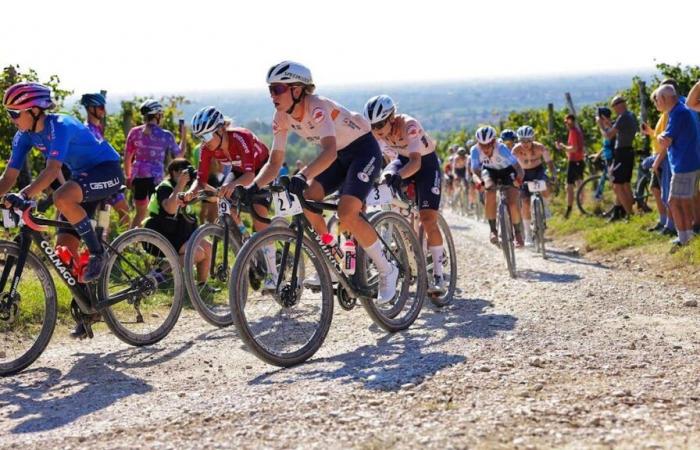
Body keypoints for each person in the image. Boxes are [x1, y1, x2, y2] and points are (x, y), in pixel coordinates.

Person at [245, 61, 398, 304]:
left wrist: (302, 175)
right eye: (270, 89)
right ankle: (332, 251)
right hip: (338, 155)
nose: (272, 95)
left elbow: (329, 151)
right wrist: (252, 188)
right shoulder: (281, 117)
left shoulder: (316, 107)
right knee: (307, 200)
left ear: (297, 89)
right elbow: (275, 162)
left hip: (362, 150)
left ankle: (387, 269)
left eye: (277, 89)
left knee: (347, 212)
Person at [1, 82, 125, 337]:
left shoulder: (60, 126)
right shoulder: (24, 136)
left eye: (14, 113)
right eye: (8, 114)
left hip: (107, 170)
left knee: (61, 196)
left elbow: (52, 170)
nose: (11, 119)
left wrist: (23, 196)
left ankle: (97, 252)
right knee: (64, 253)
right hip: (82, 179)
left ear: (34, 110)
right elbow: (8, 177)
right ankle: (89, 308)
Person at [185, 106, 278, 290]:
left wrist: (231, 186)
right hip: (239, 172)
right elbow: (200, 180)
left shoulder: (240, 137)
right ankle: (246, 244)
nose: (204, 142)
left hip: (260, 170)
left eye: (207, 136)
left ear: (220, 130)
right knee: (224, 203)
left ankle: (273, 273)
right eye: (200, 138)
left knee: (259, 214)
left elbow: (250, 176)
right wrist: (191, 193)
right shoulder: (207, 148)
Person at [364, 95, 446, 294]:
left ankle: (438, 275)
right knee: (385, 179)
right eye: (372, 126)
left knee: (428, 219)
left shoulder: (409, 125)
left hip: (425, 164)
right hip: (402, 160)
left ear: (392, 117)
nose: (377, 130)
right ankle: (401, 233)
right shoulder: (377, 133)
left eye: (380, 124)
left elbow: (416, 163)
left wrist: (399, 176)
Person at [143, 158, 212, 289]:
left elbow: (212, 197)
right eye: (183, 171)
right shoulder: (165, 187)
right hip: (162, 234)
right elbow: (170, 209)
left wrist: (201, 182)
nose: (187, 175)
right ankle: (159, 272)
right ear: (174, 172)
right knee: (197, 253)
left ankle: (202, 285)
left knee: (208, 247)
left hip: (181, 235)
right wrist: (180, 184)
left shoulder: (189, 188)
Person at [124, 99, 184, 229]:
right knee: (154, 213)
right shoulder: (166, 135)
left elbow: (127, 157)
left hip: (138, 177)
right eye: (161, 115)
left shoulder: (134, 132)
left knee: (139, 213)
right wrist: (183, 136)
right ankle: (151, 242)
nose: (161, 118)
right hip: (155, 179)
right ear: (156, 115)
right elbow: (179, 155)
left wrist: (128, 177)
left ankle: (130, 243)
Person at [654, 84, 700, 251]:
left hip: (684, 165)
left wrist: (658, 135)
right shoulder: (678, 110)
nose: (656, 103)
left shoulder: (678, 113)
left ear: (665, 99)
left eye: (657, 99)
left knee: (673, 202)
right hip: (690, 163)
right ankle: (687, 237)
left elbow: (666, 140)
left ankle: (684, 240)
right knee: (683, 202)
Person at [79, 92, 131, 227]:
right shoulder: (87, 130)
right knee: (119, 212)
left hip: (105, 176)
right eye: (101, 107)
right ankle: (109, 242)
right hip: (97, 178)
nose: (104, 111)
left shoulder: (97, 128)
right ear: (91, 108)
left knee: (117, 213)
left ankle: (111, 241)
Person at [470, 126, 525, 247]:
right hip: (490, 171)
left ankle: (518, 233)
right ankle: (493, 230)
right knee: (489, 191)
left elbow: (518, 168)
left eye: (488, 144)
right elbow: (475, 171)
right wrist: (479, 182)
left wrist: (519, 179)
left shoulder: (502, 149)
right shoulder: (475, 150)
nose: (485, 148)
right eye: (482, 145)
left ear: (494, 142)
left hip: (507, 171)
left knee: (512, 203)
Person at [511, 125, 557, 245]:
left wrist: (553, 175)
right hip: (523, 173)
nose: (525, 143)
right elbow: (510, 166)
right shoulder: (515, 150)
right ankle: (527, 235)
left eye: (528, 141)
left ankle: (546, 207)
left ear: (532, 139)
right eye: (522, 141)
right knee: (525, 202)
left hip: (538, 171)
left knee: (545, 184)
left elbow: (549, 162)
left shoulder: (540, 148)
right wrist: (513, 179)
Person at [599, 96, 639, 221]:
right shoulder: (630, 115)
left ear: (618, 105)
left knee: (617, 185)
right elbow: (618, 128)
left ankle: (629, 214)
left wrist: (601, 126)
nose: (614, 110)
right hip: (628, 151)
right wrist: (609, 124)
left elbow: (609, 135)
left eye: (614, 107)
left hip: (622, 153)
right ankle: (631, 211)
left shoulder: (623, 117)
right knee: (625, 183)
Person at [556, 114, 586, 219]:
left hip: (574, 162)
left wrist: (563, 146)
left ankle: (569, 211)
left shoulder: (573, 132)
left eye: (567, 122)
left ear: (571, 121)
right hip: (578, 161)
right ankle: (582, 209)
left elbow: (574, 148)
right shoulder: (576, 131)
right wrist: (564, 148)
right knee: (579, 184)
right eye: (565, 122)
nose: (566, 124)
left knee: (569, 187)